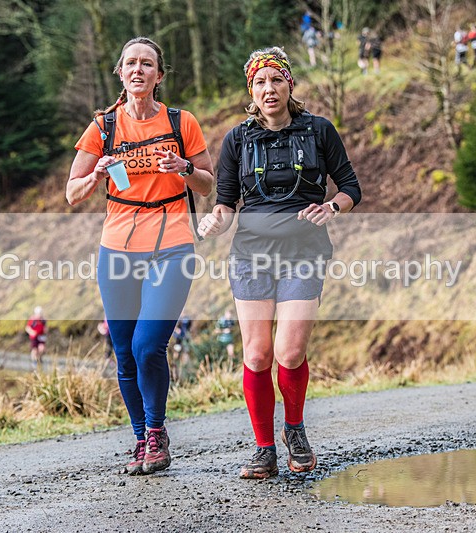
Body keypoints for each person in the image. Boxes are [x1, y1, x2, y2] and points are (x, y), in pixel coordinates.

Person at [198, 47, 361, 479]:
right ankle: (264, 448)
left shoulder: (319, 130)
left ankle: (295, 429)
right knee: (257, 355)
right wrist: (215, 222)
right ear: (251, 91)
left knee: (289, 352)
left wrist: (332, 207)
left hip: (304, 253)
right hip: (251, 256)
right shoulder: (237, 139)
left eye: (275, 80)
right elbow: (225, 203)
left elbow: (350, 186)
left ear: (289, 84)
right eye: (259, 82)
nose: (268, 89)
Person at [66, 37, 214, 476]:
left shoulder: (181, 122)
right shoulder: (103, 127)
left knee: (148, 345)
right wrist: (95, 174)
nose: (138, 70)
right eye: (130, 63)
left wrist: (184, 168)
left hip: (172, 243)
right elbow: (72, 194)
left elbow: (209, 184)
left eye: (147, 64)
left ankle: (156, 431)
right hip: (118, 248)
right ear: (120, 72)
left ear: (158, 75)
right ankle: (140, 439)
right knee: (124, 351)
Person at [25, 306, 47, 370]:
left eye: (40, 313)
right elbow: (27, 328)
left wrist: (45, 331)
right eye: (38, 313)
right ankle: (33, 362)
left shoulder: (43, 320)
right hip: (34, 337)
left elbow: (45, 328)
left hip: (41, 336)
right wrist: (32, 332)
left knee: (42, 349)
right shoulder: (32, 320)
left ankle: (39, 360)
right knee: (34, 350)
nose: (39, 315)